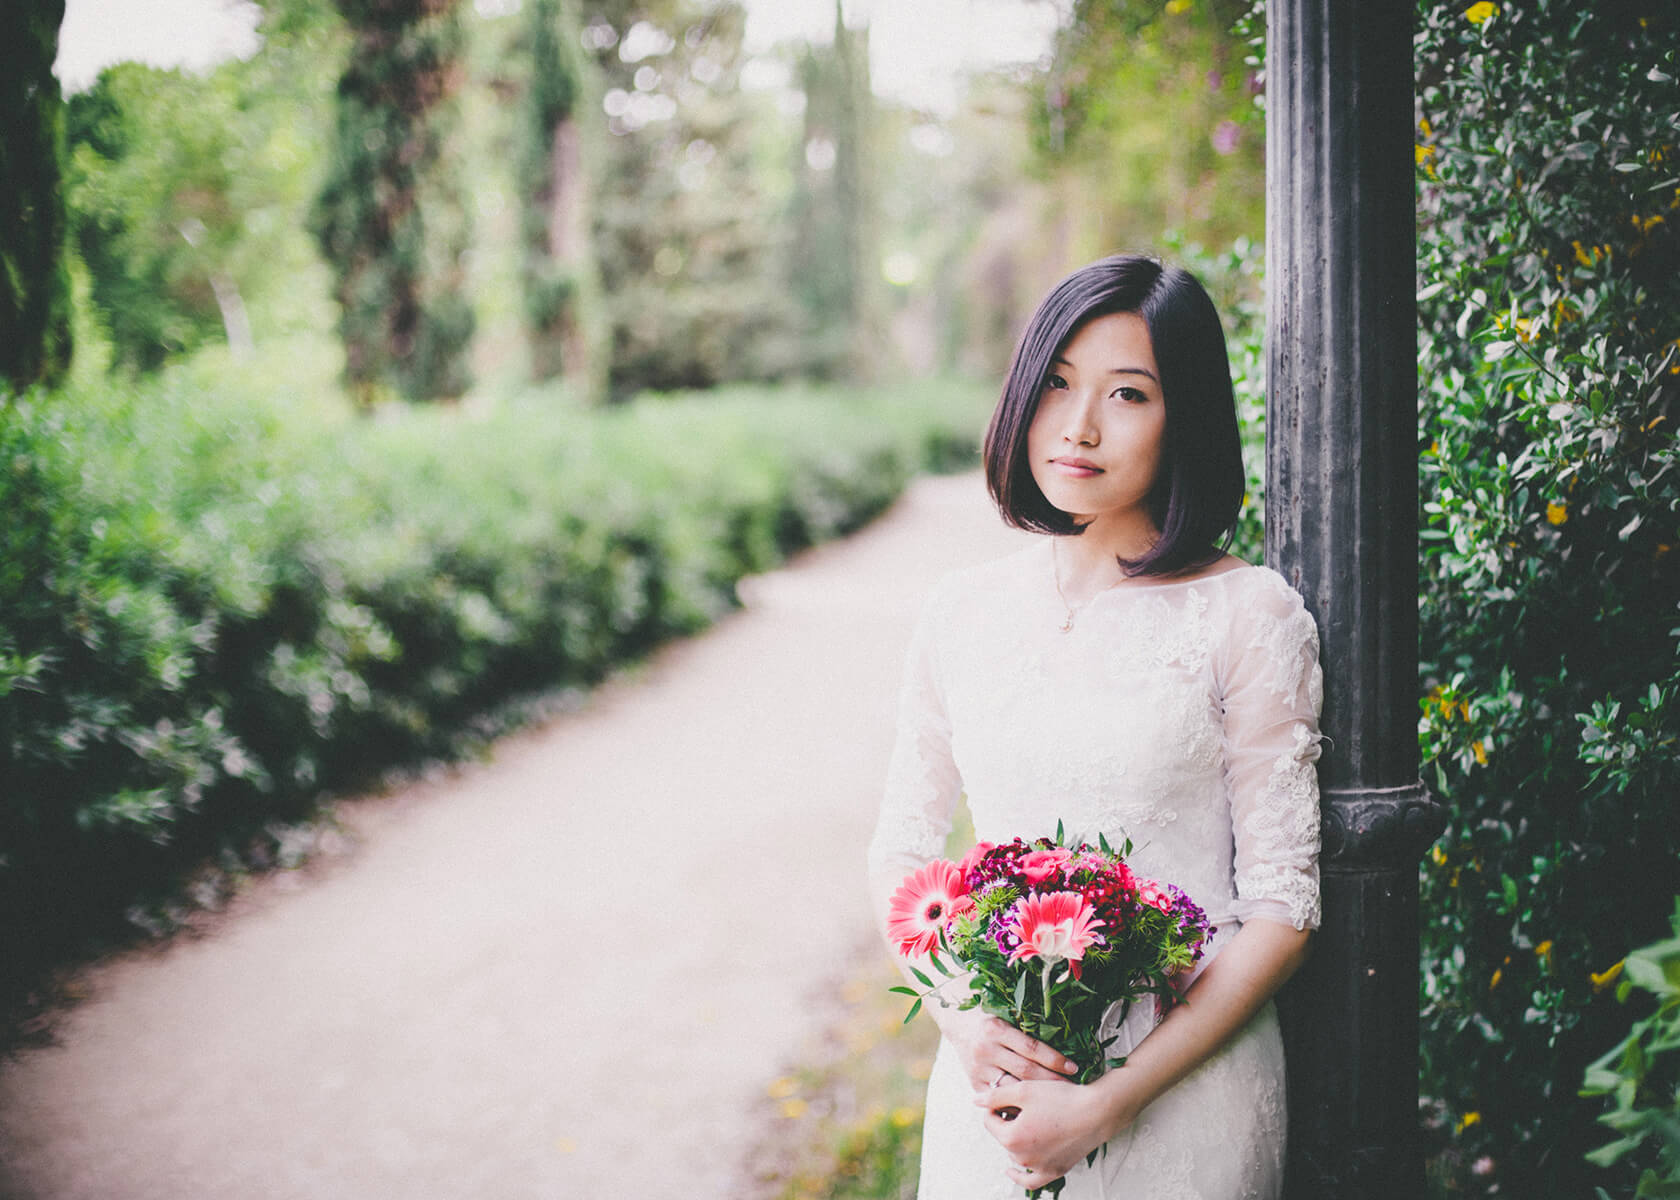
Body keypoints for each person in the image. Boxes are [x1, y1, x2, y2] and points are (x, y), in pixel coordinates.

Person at [867, 253, 1323, 1199]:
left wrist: (1113, 1099)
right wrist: (963, 1018)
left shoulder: (1249, 616)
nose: (1079, 427)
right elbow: (901, 853)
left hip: (1184, 1090)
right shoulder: (960, 611)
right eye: (1058, 386)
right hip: (998, 1088)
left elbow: (1282, 907)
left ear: (1183, 416)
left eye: (1128, 394)